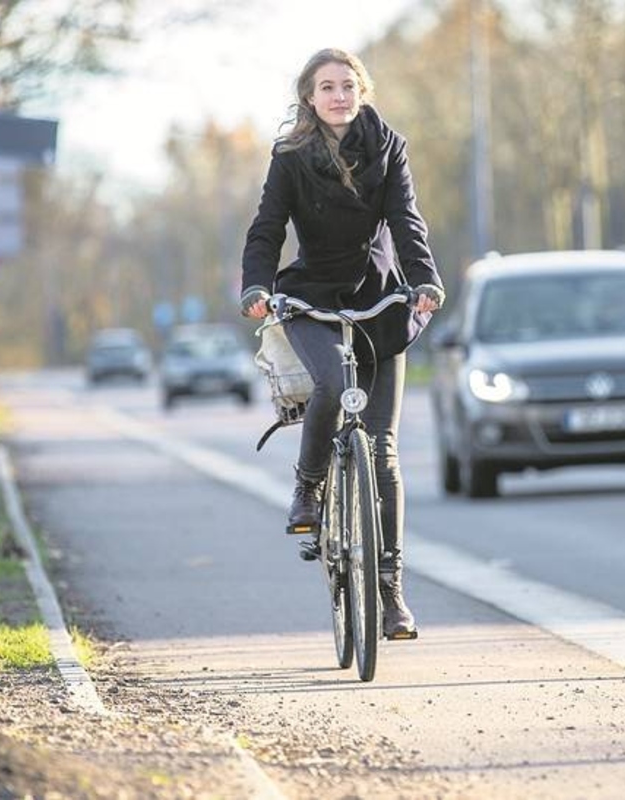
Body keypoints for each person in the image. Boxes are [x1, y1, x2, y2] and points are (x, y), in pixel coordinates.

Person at [238, 48, 444, 640]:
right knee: (329, 383)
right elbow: (267, 228)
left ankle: (391, 594)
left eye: (348, 85)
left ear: (362, 91)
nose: (338, 96)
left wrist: (423, 278)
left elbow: (407, 219)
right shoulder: (290, 157)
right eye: (326, 87)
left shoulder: (389, 147)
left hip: (378, 299)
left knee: (382, 450)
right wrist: (257, 284)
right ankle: (307, 488)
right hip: (312, 298)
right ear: (309, 96)